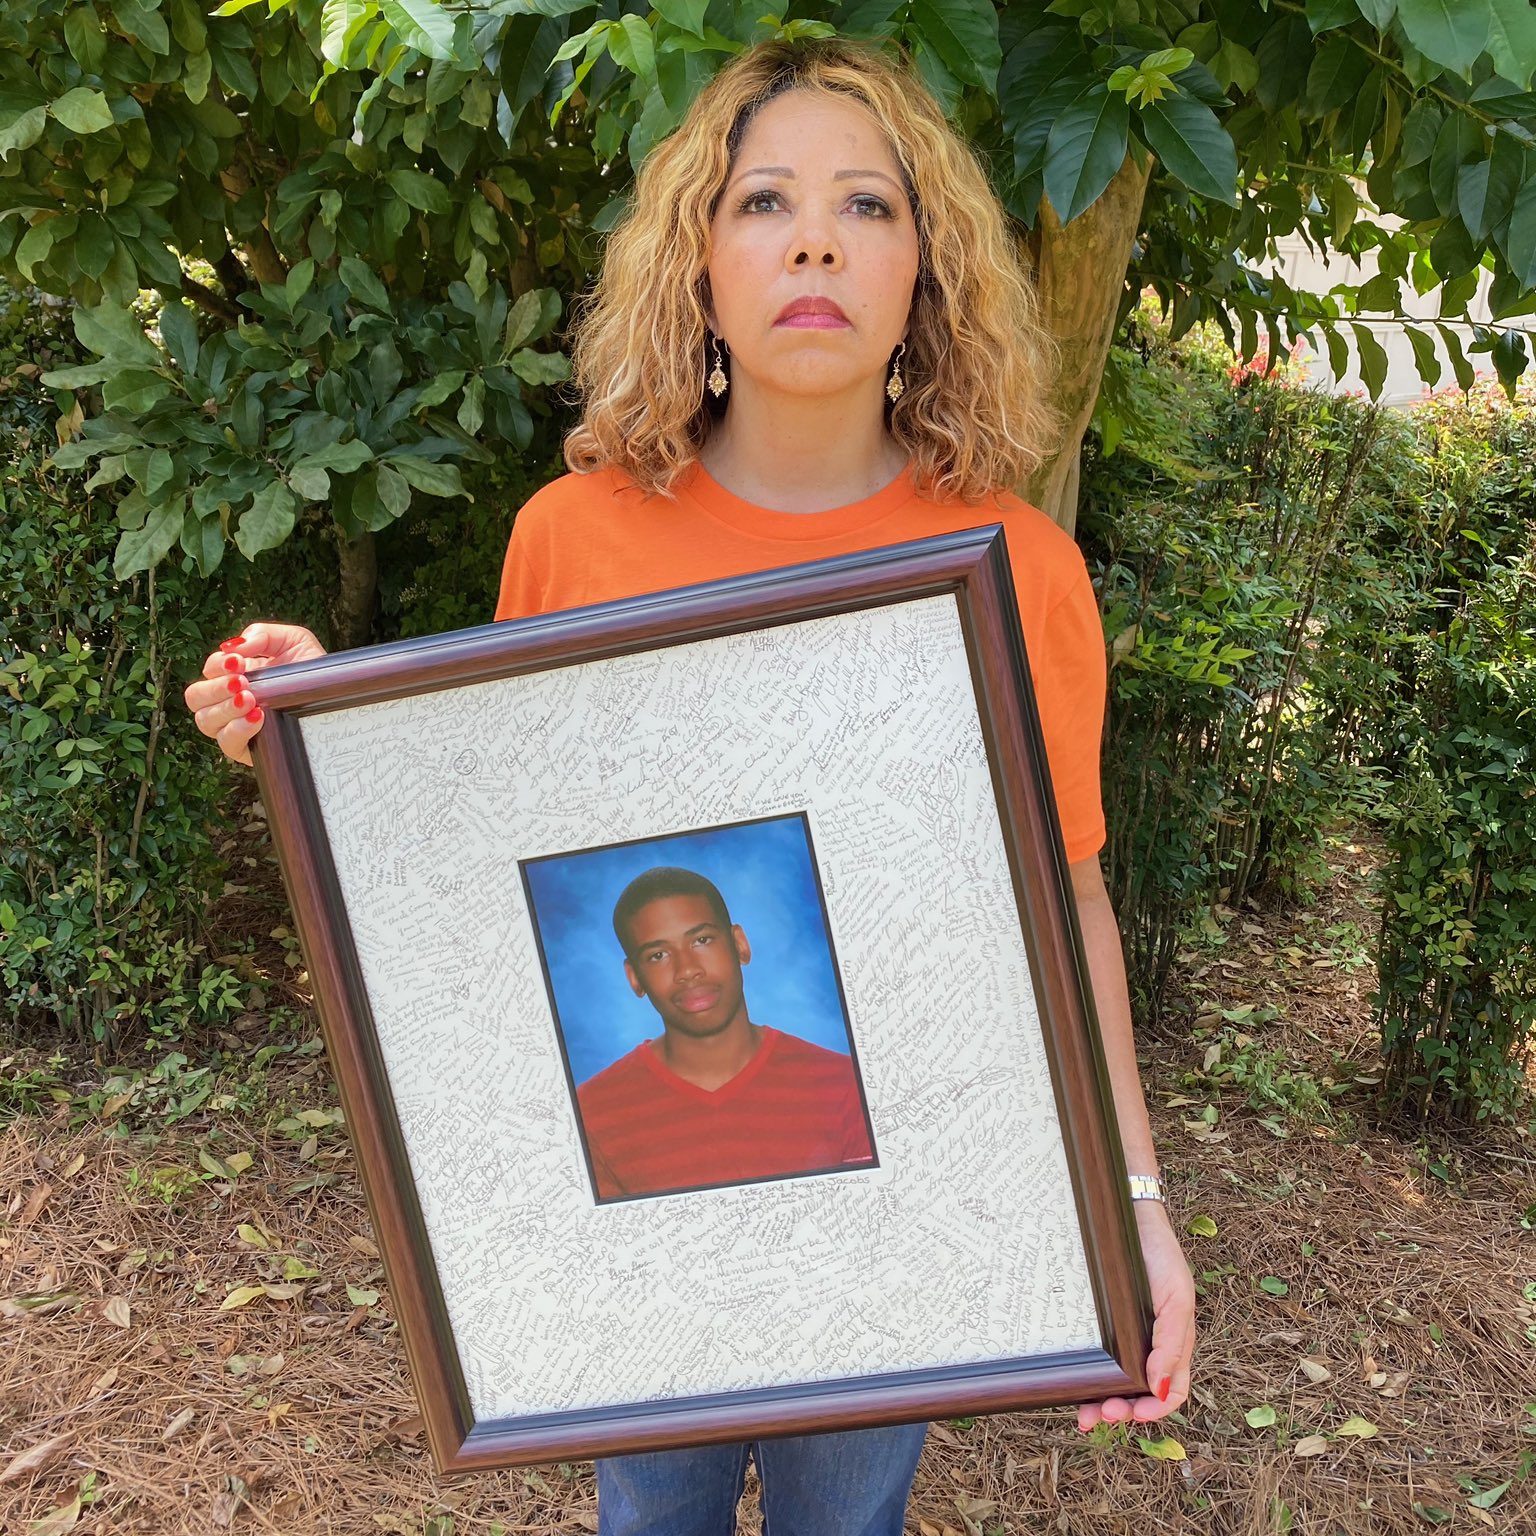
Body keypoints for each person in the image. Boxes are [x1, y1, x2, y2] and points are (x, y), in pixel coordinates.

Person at [185, 35, 1196, 1536]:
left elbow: (1075, 896)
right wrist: (324, 722)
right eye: (763, 201)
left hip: (890, 1214)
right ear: (699, 264)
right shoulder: (574, 539)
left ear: (928, 272)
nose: (811, 239)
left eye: (867, 206)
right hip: (636, 1210)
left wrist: (1137, 1213)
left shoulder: (1016, 573)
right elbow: (510, 874)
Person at [576, 864, 875, 1201]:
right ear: (634, 978)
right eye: (658, 955)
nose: (687, 970)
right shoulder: (590, 1115)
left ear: (739, 944)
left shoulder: (844, 1083)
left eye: (702, 940)